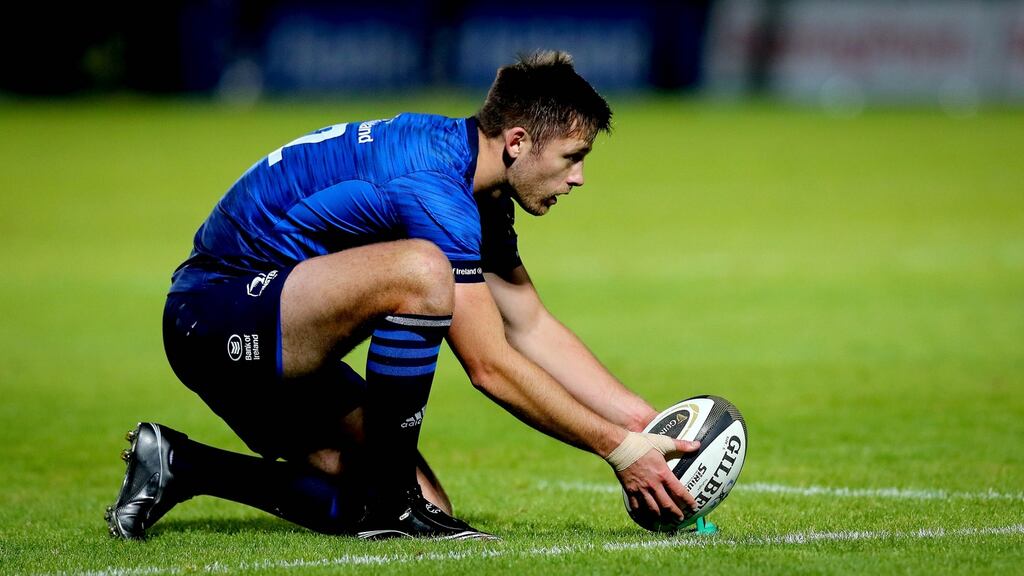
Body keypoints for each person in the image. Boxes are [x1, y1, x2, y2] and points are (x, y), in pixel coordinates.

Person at [106, 51, 700, 542]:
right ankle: (394, 502)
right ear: (518, 141)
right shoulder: (435, 186)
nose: (578, 178)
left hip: (279, 318)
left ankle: (181, 465)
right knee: (422, 271)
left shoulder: (477, 187)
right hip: (214, 312)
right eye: (573, 158)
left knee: (413, 505)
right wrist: (619, 451)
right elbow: (490, 364)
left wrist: (642, 420)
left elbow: (530, 324)